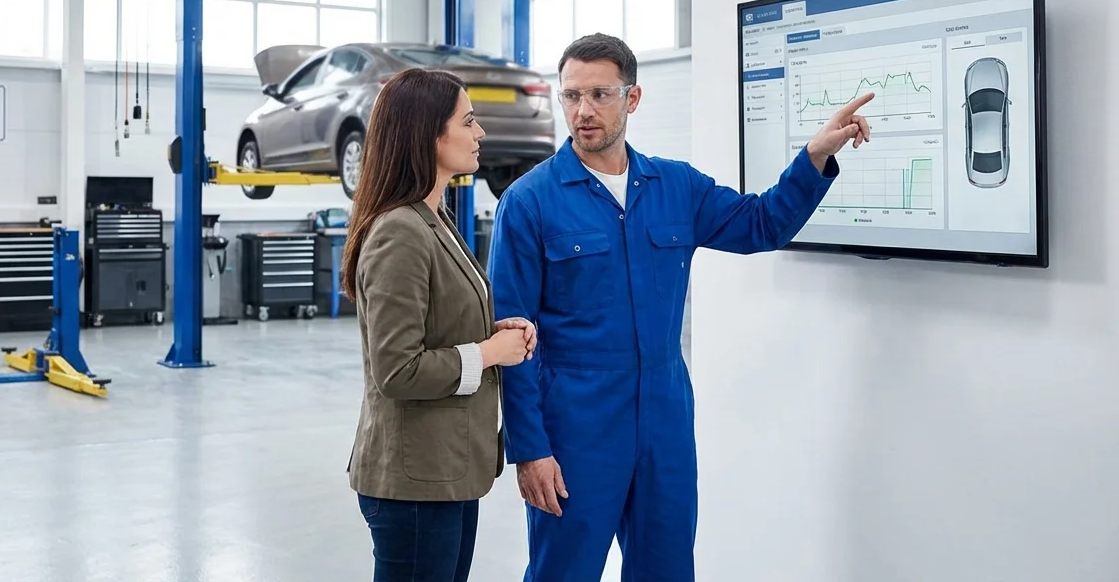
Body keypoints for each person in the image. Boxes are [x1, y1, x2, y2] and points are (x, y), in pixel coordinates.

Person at [488, 33, 873, 581]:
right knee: (563, 572)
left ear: (633, 98)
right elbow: (514, 339)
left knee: (666, 569)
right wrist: (530, 449)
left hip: (664, 416)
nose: (583, 110)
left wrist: (814, 157)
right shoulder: (529, 202)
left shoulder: (676, 186)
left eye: (599, 94)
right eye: (571, 96)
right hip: (576, 424)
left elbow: (761, 223)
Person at [343, 66, 539, 582]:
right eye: (469, 121)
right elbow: (398, 369)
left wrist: (495, 328)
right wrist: (492, 353)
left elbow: (437, 321)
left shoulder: (436, 219)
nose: (480, 134)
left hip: (447, 474)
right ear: (427, 134)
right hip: (412, 485)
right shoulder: (399, 232)